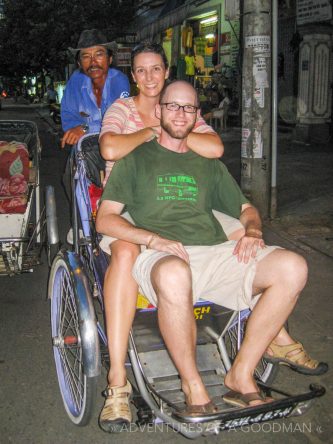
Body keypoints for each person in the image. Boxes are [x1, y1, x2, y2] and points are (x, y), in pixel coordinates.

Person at [96, 81, 327, 424]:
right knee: (175, 272)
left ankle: (241, 374)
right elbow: (105, 219)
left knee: (292, 266)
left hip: (213, 252)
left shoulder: (207, 164)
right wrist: (151, 239)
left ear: (197, 116)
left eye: (188, 108)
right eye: (173, 106)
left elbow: (246, 208)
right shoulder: (136, 159)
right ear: (158, 111)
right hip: (162, 256)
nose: (180, 114)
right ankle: (193, 387)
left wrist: (252, 230)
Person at [97, 41, 240, 432]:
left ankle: (273, 331)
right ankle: (117, 381)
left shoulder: (182, 104)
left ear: (165, 69)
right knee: (125, 253)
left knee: (243, 231)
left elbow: (213, 147)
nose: (149, 77)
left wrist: (175, 125)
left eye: (155, 69)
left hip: (181, 198)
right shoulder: (123, 109)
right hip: (129, 203)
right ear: (134, 76)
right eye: (141, 70)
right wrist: (154, 130)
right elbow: (109, 145)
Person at [61, 29, 130, 148]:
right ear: (79, 63)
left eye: (99, 54)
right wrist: (76, 129)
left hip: (115, 147)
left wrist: (84, 127)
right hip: (85, 150)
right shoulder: (75, 81)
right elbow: (68, 115)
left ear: (110, 59)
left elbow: (118, 121)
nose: (93, 62)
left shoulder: (119, 81)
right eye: (86, 56)